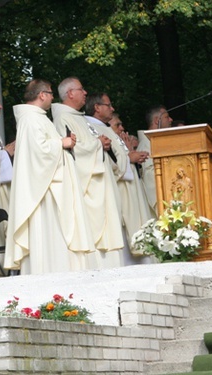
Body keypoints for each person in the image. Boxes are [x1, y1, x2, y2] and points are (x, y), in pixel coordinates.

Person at [5, 79, 94, 274]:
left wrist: (63, 143)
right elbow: (38, 153)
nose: (53, 98)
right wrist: (62, 143)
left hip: (51, 185)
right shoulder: (30, 119)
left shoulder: (38, 118)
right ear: (42, 95)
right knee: (49, 232)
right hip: (45, 191)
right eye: (51, 93)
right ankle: (51, 270)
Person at [52, 78, 123, 266]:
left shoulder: (78, 117)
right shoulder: (63, 118)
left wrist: (102, 144)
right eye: (81, 89)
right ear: (70, 94)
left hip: (99, 179)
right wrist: (98, 143)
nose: (85, 93)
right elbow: (71, 151)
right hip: (87, 184)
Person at [85, 93, 155, 265]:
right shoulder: (92, 128)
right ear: (97, 107)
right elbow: (109, 160)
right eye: (109, 105)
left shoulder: (105, 128)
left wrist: (129, 154)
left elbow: (118, 155)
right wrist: (128, 157)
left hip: (129, 188)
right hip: (120, 190)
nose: (112, 108)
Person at [137, 105, 173, 211]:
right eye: (167, 117)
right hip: (162, 201)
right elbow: (150, 180)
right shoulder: (146, 145)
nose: (171, 120)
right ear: (157, 120)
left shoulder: (154, 143)